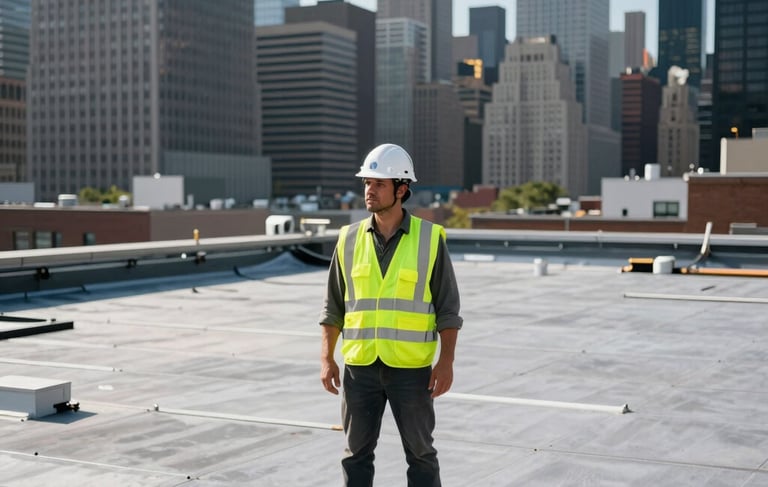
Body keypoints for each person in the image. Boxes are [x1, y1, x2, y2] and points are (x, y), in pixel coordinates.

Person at [319, 143, 463, 487]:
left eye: (378, 184)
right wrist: (327, 357)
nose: (369, 190)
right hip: (360, 369)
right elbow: (333, 307)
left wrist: (446, 362)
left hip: (411, 371)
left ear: (402, 189)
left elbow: (448, 309)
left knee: (421, 454)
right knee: (355, 455)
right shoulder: (348, 239)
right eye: (367, 183)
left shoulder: (430, 239)